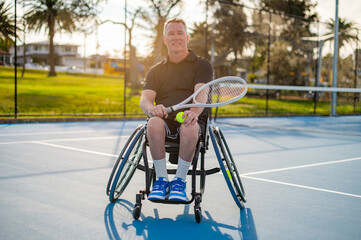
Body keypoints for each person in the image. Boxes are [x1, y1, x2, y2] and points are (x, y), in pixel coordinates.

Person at [140, 18, 213, 202]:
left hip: (191, 120)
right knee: (153, 122)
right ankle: (162, 181)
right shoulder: (156, 70)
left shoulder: (202, 65)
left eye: (180, 33)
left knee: (189, 124)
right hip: (165, 121)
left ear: (187, 37)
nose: (176, 37)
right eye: (171, 34)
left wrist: (193, 113)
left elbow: (201, 95)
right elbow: (145, 99)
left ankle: (179, 182)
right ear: (165, 39)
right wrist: (152, 109)